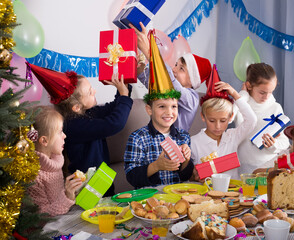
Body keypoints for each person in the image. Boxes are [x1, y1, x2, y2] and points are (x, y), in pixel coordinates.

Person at [27, 63, 133, 196]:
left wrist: (126, 83)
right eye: (89, 92)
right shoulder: (72, 126)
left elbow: (115, 108)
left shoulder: (88, 112)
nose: (94, 91)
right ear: (76, 107)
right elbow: (114, 123)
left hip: (103, 181)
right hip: (88, 187)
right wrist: (124, 95)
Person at [124, 31, 194, 188]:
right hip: (150, 201)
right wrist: (156, 166)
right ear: (149, 109)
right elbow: (131, 176)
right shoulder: (138, 138)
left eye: (174, 107)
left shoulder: (183, 136)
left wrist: (186, 159)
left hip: (177, 198)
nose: (169, 112)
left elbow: (185, 175)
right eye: (162, 107)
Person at [131, 22, 212, 131]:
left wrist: (149, 51)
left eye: (181, 68)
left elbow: (171, 83)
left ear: (193, 81)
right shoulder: (165, 87)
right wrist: (138, 62)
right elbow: (147, 80)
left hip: (175, 145)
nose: (174, 69)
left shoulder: (192, 98)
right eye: (175, 65)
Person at [191, 65, 257, 181]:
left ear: (231, 117)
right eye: (212, 121)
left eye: (223, 121)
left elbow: (252, 120)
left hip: (234, 193)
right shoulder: (194, 142)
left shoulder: (233, 136)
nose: (217, 126)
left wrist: (235, 94)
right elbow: (190, 176)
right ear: (203, 117)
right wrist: (195, 176)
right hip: (207, 195)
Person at [232, 63, 290, 174]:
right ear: (249, 85)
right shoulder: (241, 104)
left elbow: (285, 143)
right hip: (242, 166)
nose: (266, 97)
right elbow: (228, 117)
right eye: (262, 92)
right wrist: (242, 95)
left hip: (267, 167)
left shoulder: (275, 108)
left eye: (271, 92)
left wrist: (273, 145)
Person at [28, 106, 83, 216]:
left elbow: (57, 197)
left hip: (63, 220)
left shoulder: (55, 161)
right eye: (60, 132)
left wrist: (74, 191)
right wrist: (68, 196)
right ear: (44, 140)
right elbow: (41, 217)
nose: (65, 135)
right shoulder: (33, 176)